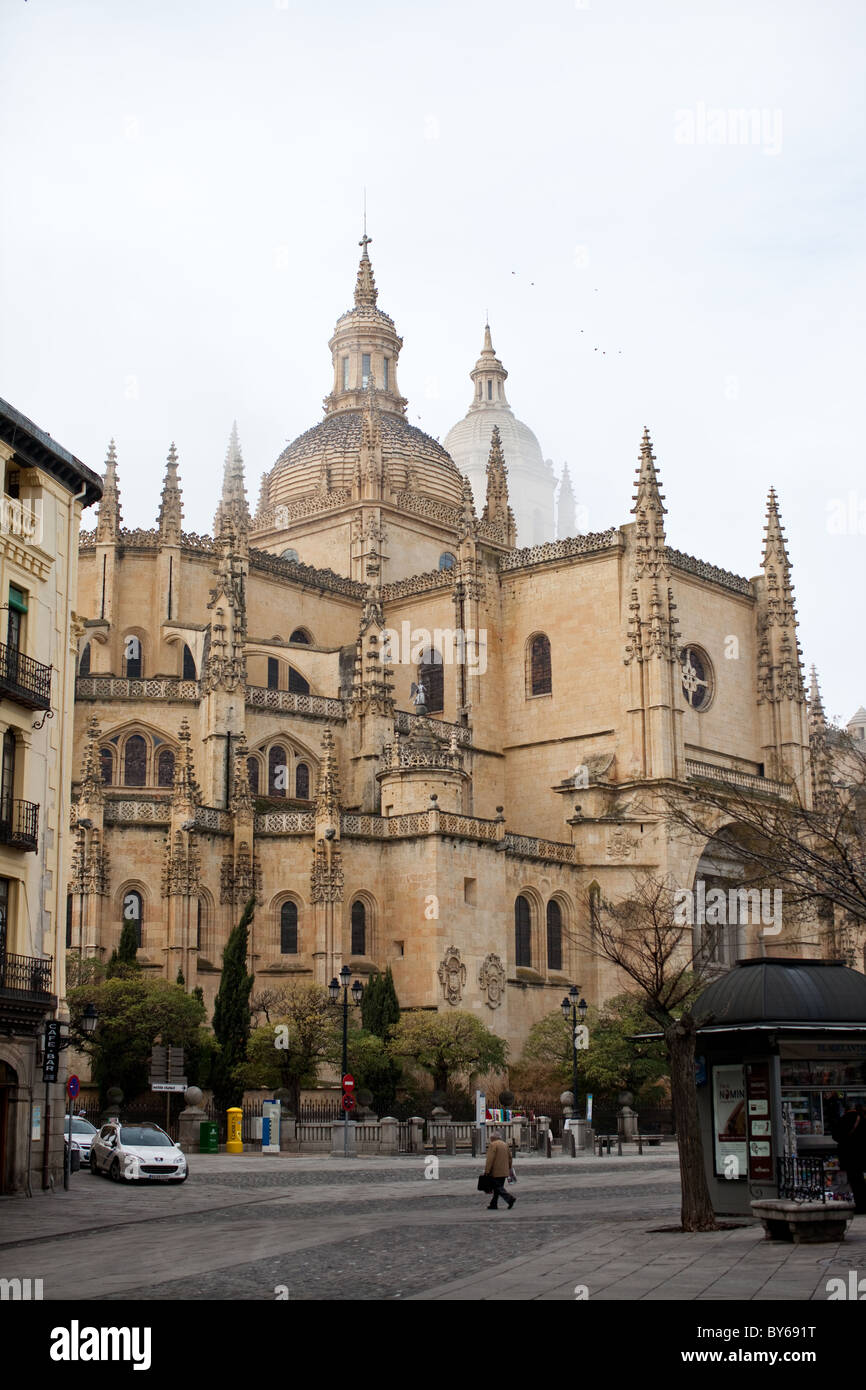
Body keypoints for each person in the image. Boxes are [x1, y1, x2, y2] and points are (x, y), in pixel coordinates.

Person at [831, 1099, 866, 1214]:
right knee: (860, 1181)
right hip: (861, 1155)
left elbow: (835, 1136)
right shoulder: (862, 1119)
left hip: (849, 1156)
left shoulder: (843, 1119)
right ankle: (862, 1204)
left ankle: (860, 1205)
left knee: (854, 1181)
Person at [483, 1129, 515, 1210]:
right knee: (498, 1187)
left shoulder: (493, 1145)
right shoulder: (505, 1144)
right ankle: (493, 1204)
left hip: (495, 1171)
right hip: (504, 1170)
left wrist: (487, 1171)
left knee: (497, 1187)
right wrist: (509, 1167)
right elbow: (510, 1158)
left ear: (493, 1138)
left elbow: (490, 1159)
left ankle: (510, 1199)